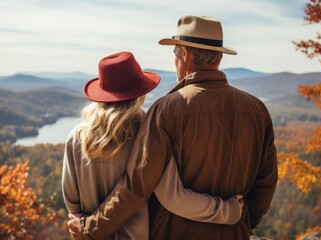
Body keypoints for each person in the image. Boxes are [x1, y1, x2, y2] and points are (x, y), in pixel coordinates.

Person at [68, 15, 278, 240]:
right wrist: (244, 223)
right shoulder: (257, 110)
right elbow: (266, 182)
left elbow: (137, 187)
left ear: (185, 54)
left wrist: (90, 228)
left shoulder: (166, 110)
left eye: (175, 54)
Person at [62, 51, 244, 240]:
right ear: (140, 94)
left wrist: (85, 228)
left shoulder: (76, 138)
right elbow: (174, 197)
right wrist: (228, 210)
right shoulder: (149, 134)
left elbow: (73, 206)